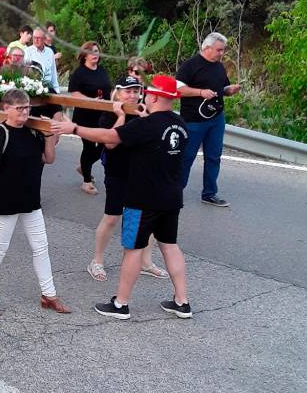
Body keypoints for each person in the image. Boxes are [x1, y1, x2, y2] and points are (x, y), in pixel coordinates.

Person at [51, 75, 193, 320]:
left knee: (133, 249)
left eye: (146, 92)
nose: (143, 95)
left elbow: (110, 138)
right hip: (171, 197)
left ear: (155, 96)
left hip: (142, 199)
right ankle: (182, 301)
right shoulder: (180, 124)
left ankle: (121, 304)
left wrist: (74, 128)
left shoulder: (146, 125)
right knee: (169, 245)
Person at [0, 89, 69, 316]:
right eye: (20, 108)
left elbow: (49, 159)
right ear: (6, 109)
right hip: (6, 201)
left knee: (41, 247)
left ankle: (49, 294)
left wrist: (49, 137)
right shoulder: (0, 133)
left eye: (27, 108)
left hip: (31, 200)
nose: (25, 112)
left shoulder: (33, 132)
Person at [87, 75, 168, 282]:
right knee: (112, 217)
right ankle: (96, 260)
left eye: (136, 91)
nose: (132, 95)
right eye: (128, 91)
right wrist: (121, 116)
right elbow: (111, 143)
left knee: (147, 219)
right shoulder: (109, 113)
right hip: (117, 172)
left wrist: (145, 119)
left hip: (141, 173)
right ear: (119, 92)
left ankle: (146, 263)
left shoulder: (145, 111)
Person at [177, 32, 241, 208]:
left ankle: (209, 194)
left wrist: (230, 90)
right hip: (193, 120)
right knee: (186, 157)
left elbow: (222, 89)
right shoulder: (190, 66)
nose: (222, 53)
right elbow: (178, 89)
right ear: (207, 47)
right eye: (219, 50)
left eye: (223, 50)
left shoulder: (219, 67)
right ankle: (175, 191)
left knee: (214, 157)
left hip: (216, 119)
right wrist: (200, 92)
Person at [68, 40, 112, 195]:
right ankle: (86, 182)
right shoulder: (78, 73)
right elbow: (74, 94)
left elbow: (108, 90)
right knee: (88, 147)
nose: (95, 54)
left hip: (103, 116)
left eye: (97, 51)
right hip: (85, 116)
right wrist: (91, 101)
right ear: (84, 55)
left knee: (104, 145)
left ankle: (83, 166)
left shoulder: (102, 70)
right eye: (91, 51)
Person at [24, 27, 62, 120]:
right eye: (34, 37)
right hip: (34, 90)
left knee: (58, 115)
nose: (36, 40)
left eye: (39, 38)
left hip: (49, 88)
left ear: (44, 39)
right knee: (38, 118)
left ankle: (54, 134)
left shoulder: (50, 52)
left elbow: (53, 72)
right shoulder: (27, 51)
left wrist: (57, 90)